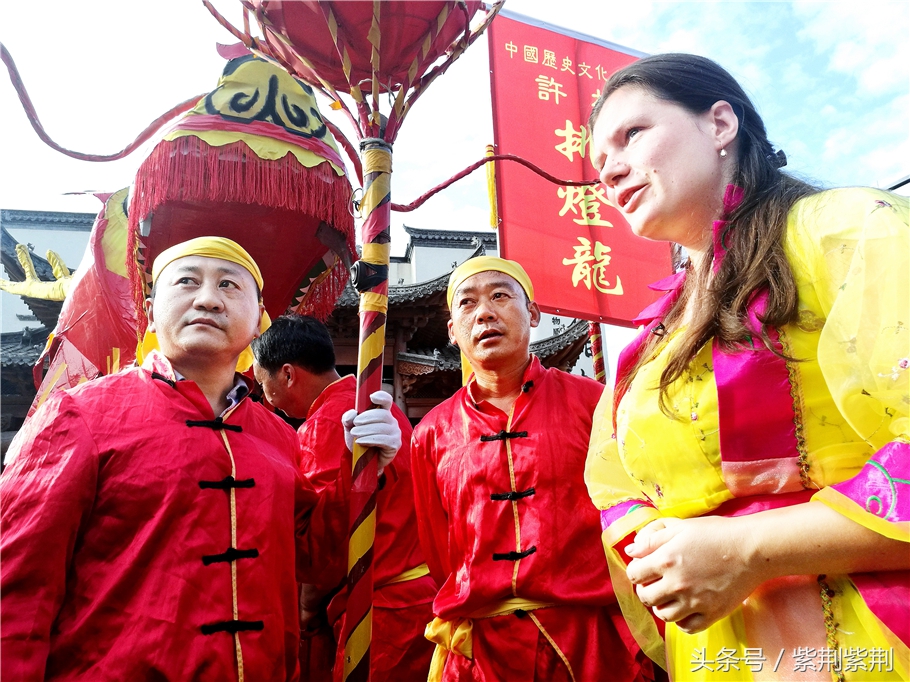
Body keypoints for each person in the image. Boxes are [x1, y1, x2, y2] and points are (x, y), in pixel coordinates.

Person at [584, 53, 909, 681]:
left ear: (721, 123)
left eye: (633, 134)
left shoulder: (849, 231)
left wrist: (746, 550)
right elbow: (615, 488)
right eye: (600, 162)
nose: (612, 170)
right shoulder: (646, 344)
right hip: (721, 654)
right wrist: (672, 560)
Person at [0, 237, 400, 682]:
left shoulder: (279, 438)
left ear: (258, 323)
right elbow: (17, 589)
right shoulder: (78, 415)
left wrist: (357, 467)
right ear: (151, 311)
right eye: (187, 282)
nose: (208, 298)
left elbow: (314, 559)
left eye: (230, 286)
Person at [410, 256, 653, 682]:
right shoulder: (431, 432)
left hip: (592, 639)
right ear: (452, 332)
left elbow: (633, 509)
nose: (484, 311)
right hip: (482, 650)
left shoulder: (594, 404)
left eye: (500, 296)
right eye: (467, 304)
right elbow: (439, 550)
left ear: (534, 314)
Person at [251, 314, 436, 682]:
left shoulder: (326, 424)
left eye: (262, 384)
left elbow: (326, 544)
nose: (265, 399)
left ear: (287, 374)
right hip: (417, 597)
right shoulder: (381, 409)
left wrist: (305, 610)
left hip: (380, 610)